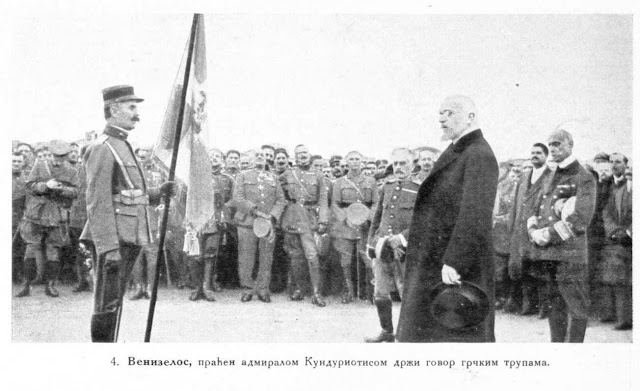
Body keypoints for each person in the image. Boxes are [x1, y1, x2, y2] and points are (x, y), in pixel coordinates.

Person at [396, 95, 498, 343]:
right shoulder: (459, 150)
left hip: (454, 265)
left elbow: (475, 214)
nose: (441, 118)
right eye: (440, 112)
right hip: (436, 259)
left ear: (470, 117)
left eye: (449, 113)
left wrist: (455, 261)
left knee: (456, 334)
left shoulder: (478, 154)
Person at [81, 85, 174, 342]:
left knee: (115, 300)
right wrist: (108, 247)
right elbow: (98, 202)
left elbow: (128, 192)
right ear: (113, 110)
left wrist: (158, 193)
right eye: (131, 107)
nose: (137, 114)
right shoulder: (103, 147)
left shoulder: (122, 143)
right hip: (114, 239)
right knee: (106, 303)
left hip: (130, 234)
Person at [526, 127, 596, 342]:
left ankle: (574, 354)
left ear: (570, 145)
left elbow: (581, 220)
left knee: (576, 306)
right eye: (551, 145)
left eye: (558, 144)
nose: (553, 148)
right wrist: (532, 230)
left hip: (569, 254)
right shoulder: (551, 174)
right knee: (553, 305)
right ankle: (557, 351)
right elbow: (536, 207)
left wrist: (548, 234)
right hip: (548, 254)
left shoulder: (583, 177)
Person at [365, 148, 420, 342]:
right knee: (380, 292)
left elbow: (422, 221)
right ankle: (387, 331)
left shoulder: (419, 188)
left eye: (403, 163)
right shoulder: (387, 187)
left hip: (405, 249)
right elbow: (378, 216)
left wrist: (402, 238)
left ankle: (408, 333)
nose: (399, 167)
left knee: (407, 292)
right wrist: (371, 242)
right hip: (382, 247)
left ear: (413, 165)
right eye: (396, 163)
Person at [16, 140, 79, 298]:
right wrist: (45, 186)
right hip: (36, 214)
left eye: (61, 157)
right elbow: (29, 186)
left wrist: (62, 189)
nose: (57, 160)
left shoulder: (71, 170)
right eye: (55, 156)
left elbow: (76, 192)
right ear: (50, 154)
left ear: (66, 157)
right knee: (31, 248)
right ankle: (26, 285)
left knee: (53, 250)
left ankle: (51, 285)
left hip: (56, 215)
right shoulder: (39, 165)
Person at [232, 150, 286, 303]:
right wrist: (255, 211)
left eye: (263, 156)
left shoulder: (274, 178)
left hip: (267, 223)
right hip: (247, 222)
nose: (260, 158)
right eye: (257, 155)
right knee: (246, 257)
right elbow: (238, 198)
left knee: (266, 257)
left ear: (268, 160)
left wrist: (272, 215)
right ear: (251, 159)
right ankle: (247, 289)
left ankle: (263, 289)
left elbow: (281, 200)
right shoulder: (242, 176)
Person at [280, 145, 329, 307]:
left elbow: (323, 200)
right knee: (295, 256)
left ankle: (316, 292)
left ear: (310, 156)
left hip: (310, 218)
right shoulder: (287, 174)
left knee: (312, 255)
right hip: (292, 217)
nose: (302, 156)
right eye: (299, 154)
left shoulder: (319, 175)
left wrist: (323, 220)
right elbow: (279, 195)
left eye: (305, 153)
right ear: (295, 157)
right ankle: (299, 289)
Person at [509, 143, 553, 318]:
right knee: (523, 268)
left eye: (539, 153)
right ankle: (529, 304)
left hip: (538, 229)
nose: (535, 156)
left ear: (546, 155)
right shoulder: (524, 177)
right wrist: (512, 227)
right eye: (532, 153)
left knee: (541, 270)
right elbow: (515, 204)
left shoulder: (552, 176)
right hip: (521, 231)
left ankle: (545, 306)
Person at [330, 150, 379, 303]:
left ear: (362, 162)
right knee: (345, 260)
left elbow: (376, 202)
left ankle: (372, 292)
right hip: (346, 225)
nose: (354, 162)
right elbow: (335, 204)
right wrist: (346, 218)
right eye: (351, 159)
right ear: (347, 162)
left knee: (368, 258)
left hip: (365, 225)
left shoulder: (371, 181)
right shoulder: (339, 183)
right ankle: (348, 292)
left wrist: (367, 217)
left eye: (357, 159)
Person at [129, 146, 167, 300]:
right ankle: (138, 286)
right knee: (136, 254)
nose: (143, 156)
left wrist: (163, 204)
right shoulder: (131, 172)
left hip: (152, 216)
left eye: (146, 153)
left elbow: (169, 193)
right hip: (135, 216)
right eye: (140, 154)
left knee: (152, 254)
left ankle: (151, 287)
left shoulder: (161, 172)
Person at [600, 153, 632, 330]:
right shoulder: (607, 185)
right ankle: (614, 316)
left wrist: (629, 232)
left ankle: (625, 319)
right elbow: (605, 211)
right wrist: (613, 231)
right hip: (614, 238)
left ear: (626, 165)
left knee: (624, 280)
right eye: (611, 162)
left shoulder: (631, 186)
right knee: (614, 278)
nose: (614, 165)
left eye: (618, 162)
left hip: (630, 238)